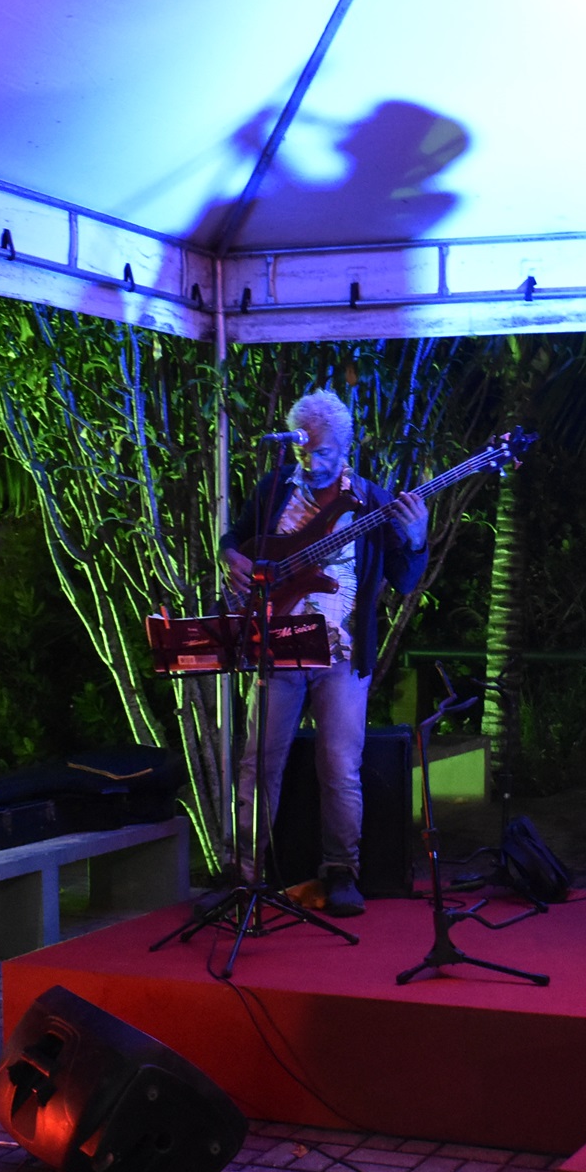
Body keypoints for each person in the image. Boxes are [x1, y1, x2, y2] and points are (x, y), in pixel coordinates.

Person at [221, 389, 427, 916]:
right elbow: (238, 538)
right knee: (258, 763)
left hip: (341, 654)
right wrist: (230, 557)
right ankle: (243, 874)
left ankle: (341, 872)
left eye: (324, 452)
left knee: (340, 766)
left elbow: (405, 580)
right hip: (276, 648)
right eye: (303, 450)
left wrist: (416, 538)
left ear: (346, 446)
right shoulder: (273, 489)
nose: (312, 462)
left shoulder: (371, 500)